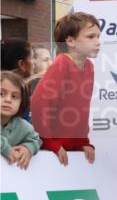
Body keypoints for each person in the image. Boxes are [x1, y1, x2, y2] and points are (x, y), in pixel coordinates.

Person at [30, 12, 101, 166]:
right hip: (54, 149)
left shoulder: (89, 66)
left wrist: (82, 141)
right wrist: (48, 141)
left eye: (98, 36)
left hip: (72, 148)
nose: (97, 42)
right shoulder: (61, 64)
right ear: (70, 41)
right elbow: (39, 103)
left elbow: (81, 108)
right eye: (90, 37)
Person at [1, 72, 40, 170]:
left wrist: (27, 148)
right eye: (1, 94)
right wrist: (5, 148)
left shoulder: (23, 126)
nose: (8, 100)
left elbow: (36, 140)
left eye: (14, 96)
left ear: (21, 102)